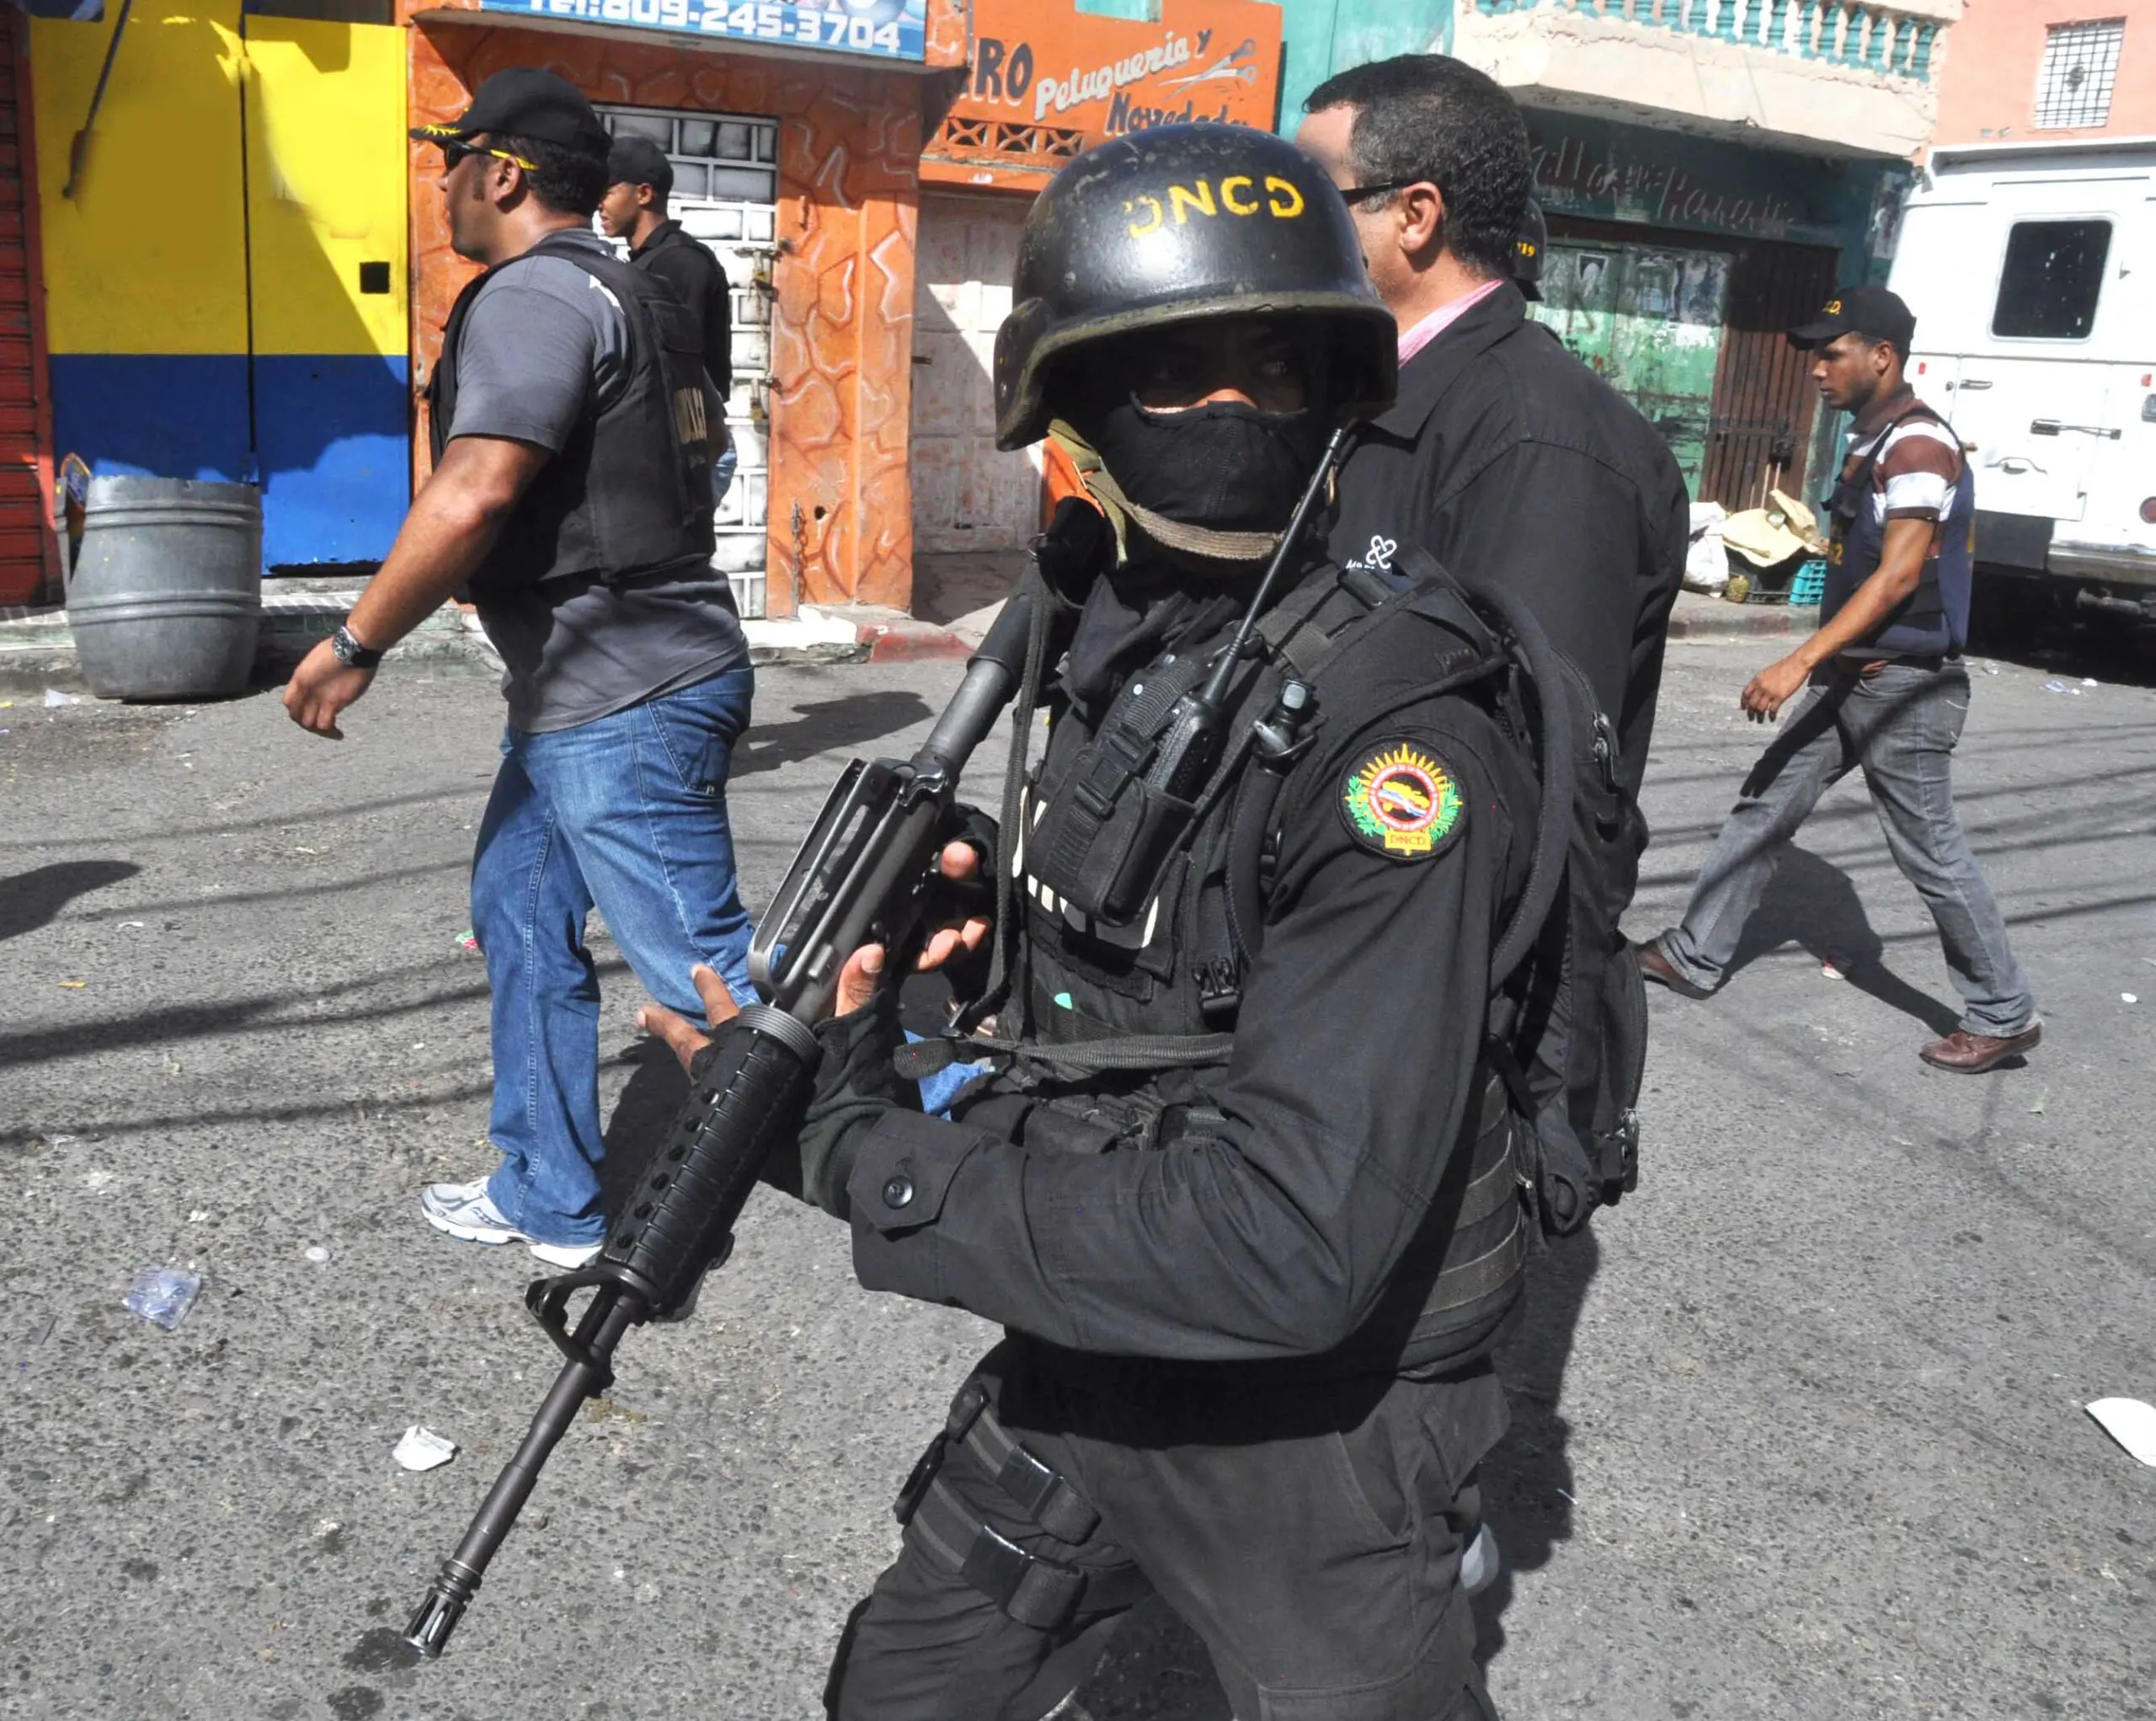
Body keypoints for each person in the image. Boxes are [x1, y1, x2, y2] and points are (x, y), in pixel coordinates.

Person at [643, 124, 1543, 1721]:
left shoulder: (1400, 742)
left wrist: (860, 1151)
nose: (1230, 411)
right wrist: (989, 928)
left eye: (1275, 365)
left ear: (1339, 385)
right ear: (1070, 406)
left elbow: (1293, 1241)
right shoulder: (1120, 608)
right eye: (1171, 370)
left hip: (1311, 1430)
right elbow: (1168, 932)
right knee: (900, 1690)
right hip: (1101, 1324)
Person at [281, 68, 756, 1266]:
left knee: (717, 989)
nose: (438, 183)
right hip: (585, 687)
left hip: (626, 696)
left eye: (450, 159)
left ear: (499, 169)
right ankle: (549, 1193)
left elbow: (476, 487)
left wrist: (355, 642)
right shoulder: (636, 290)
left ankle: (927, 1164)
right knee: (519, 908)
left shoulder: (535, 294)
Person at [1297, 54, 1689, 906]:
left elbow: (1515, 775)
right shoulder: (1374, 391)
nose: (1290, 224)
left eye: (1315, 197)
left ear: (1414, 215)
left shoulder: (1540, 444)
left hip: (1439, 963)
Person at [1636, 285, 2041, 1073]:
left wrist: (1797, 659)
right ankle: (1696, 952)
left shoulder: (1919, 445)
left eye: (1832, 353)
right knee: (1766, 804)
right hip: (1855, 676)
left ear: (1881, 357)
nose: (1817, 370)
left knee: (1929, 848)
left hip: (1905, 687)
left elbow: (1895, 582)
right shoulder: (1874, 440)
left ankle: (2004, 1010)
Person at [599, 134, 739, 507]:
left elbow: (680, 374)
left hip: (686, 445)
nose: (599, 204)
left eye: (608, 191)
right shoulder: (647, 263)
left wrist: (682, 461)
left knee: (681, 562)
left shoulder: (679, 263)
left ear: (643, 194)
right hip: (669, 446)